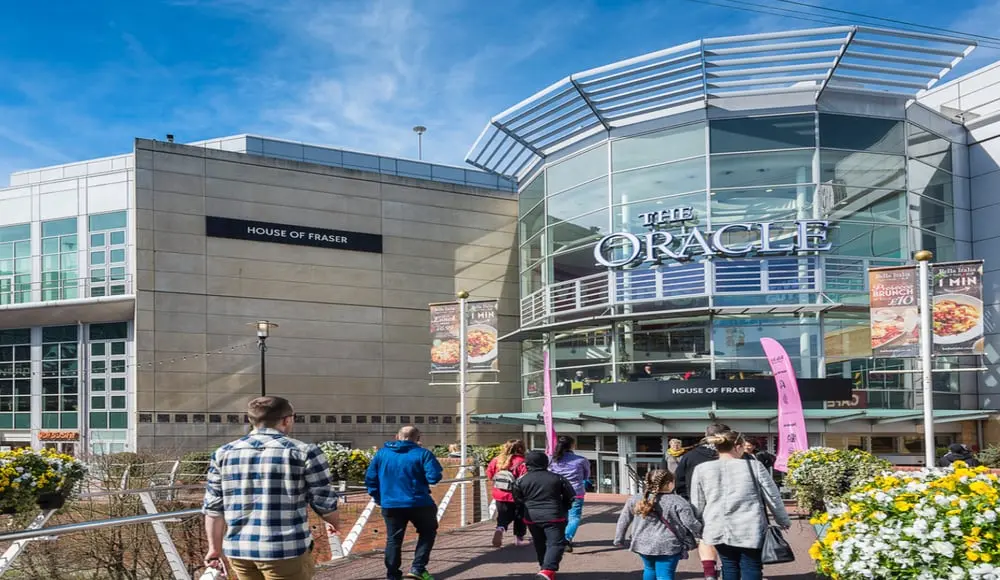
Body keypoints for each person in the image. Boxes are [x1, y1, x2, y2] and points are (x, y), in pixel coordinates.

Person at [202, 396, 341, 580]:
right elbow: (324, 498)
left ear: (251, 420)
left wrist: (214, 548)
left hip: (239, 550)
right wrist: (333, 521)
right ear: (287, 420)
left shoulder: (223, 453)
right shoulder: (304, 451)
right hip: (285, 549)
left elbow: (213, 507)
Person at [690, 430, 791, 580]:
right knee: (751, 565)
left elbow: (697, 502)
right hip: (749, 526)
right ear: (737, 447)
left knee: (728, 564)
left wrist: (697, 526)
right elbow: (773, 496)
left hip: (717, 525)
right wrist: (782, 519)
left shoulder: (702, 469)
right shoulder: (754, 466)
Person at [365, 426, 444, 580]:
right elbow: (434, 477)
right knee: (428, 533)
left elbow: (370, 479)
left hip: (391, 504)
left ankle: (393, 575)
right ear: (418, 439)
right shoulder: (423, 454)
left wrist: (378, 498)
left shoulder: (382, 454)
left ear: (397, 436)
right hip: (419, 503)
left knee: (393, 539)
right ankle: (418, 568)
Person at [614, 469, 703, 580]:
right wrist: (701, 532)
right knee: (665, 574)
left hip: (642, 543)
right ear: (669, 483)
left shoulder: (635, 499)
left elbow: (624, 520)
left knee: (649, 569)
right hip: (668, 544)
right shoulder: (678, 501)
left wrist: (619, 539)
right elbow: (690, 522)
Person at [673, 423, 730, 580]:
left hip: (700, 505)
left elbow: (679, 481)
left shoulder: (690, 456)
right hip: (731, 504)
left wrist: (687, 499)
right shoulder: (735, 455)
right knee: (730, 541)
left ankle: (710, 573)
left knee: (706, 538)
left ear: (706, 435)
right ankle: (728, 570)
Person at [513, 451, 576, 580]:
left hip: (531, 517)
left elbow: (517, 499)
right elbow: (570, 496)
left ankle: (544, 569)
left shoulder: (521, 480)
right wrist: (564, 507)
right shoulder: (557, 478)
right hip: (554, 515)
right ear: (545, 463)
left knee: (539, 543)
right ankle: (547, 570)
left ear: (527, 464)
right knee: (556, 543)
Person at [547, 435, 591, 553]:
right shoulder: (581, 460)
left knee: (560, 516)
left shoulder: (552, 459)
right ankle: (566, 538)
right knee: (574, 516)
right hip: (576, 492)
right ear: (572, 445)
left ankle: (557, 538)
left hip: (557, 492)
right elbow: (586, 476)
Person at [486, 439, 530, 548]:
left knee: (503, 515)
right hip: (517, 495)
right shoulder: (523, 462)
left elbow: (490, 475)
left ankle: (500, 528)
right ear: (521, 448)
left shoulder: (497, 460)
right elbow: (526, 480)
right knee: (520, 516)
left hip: (500, 494)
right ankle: (518, 539)